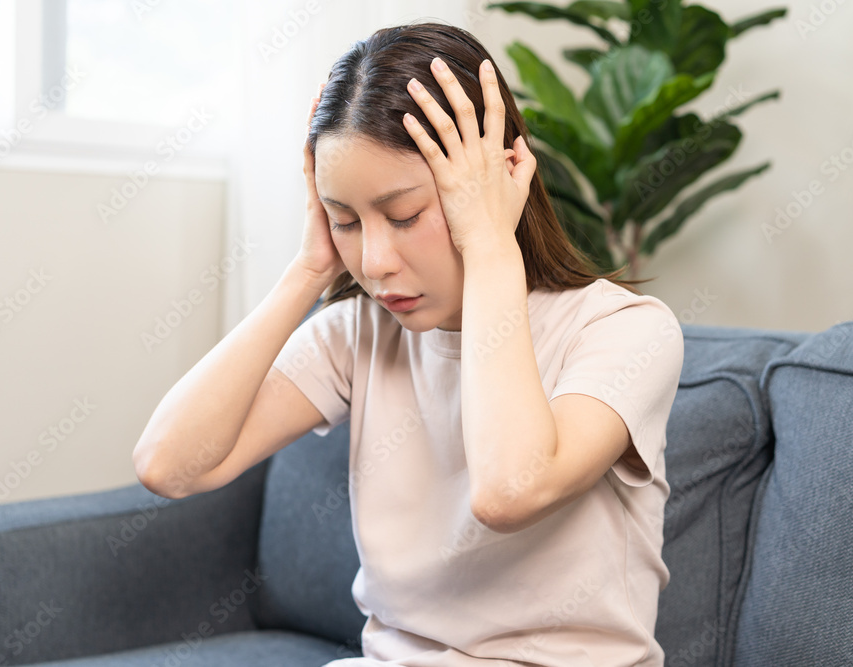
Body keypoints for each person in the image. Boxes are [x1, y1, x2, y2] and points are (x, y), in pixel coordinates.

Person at [133, 20, 684, 667]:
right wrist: (308, 269)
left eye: (404, 216)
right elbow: (169, 464)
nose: (374, 261)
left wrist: (490, 245)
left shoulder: (625, 330)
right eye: (345, 220)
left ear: (504, 178)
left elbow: (509, 491)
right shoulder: (359, 333)